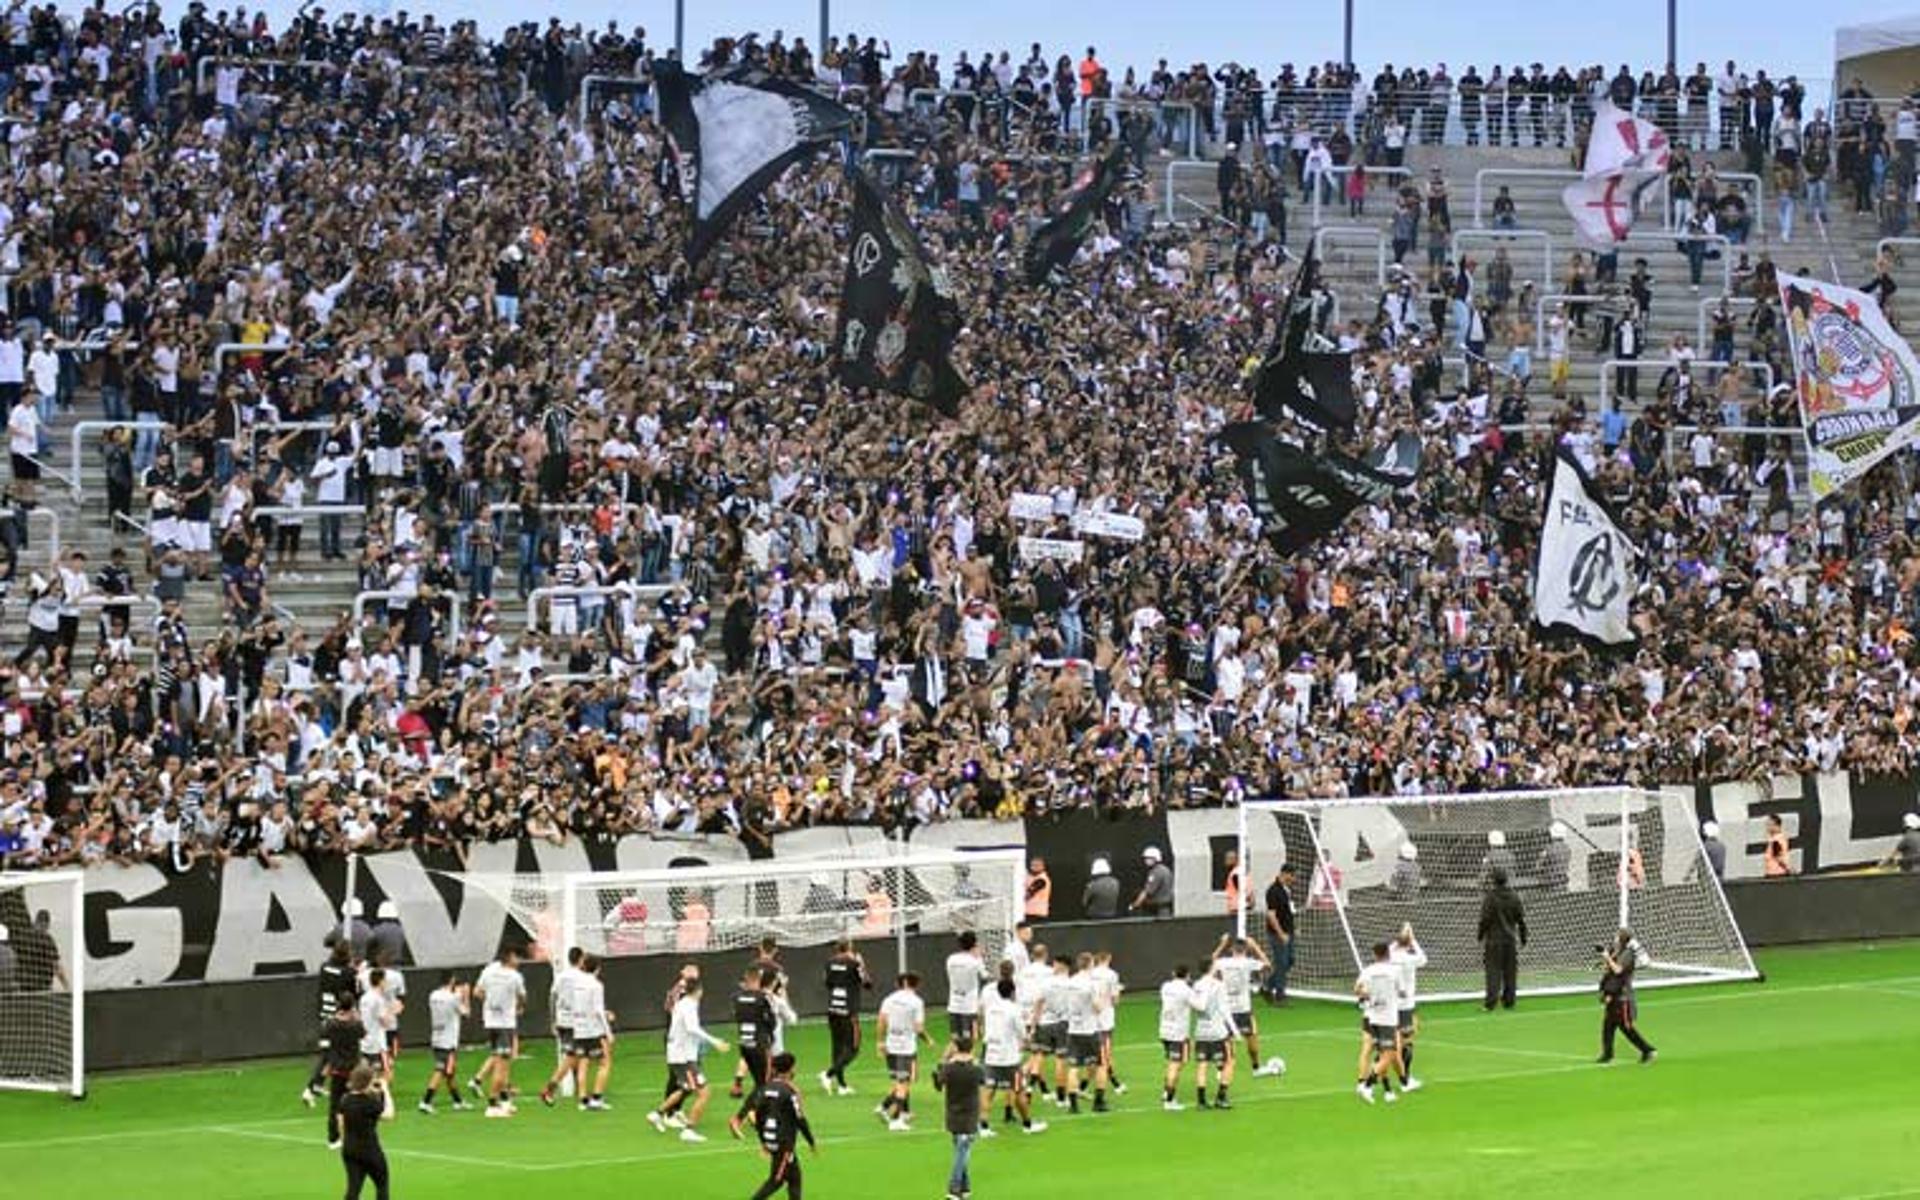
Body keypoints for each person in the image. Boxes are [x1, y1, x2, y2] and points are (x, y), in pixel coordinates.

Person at [650, 972, 730, 1142]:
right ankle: (689, 1130)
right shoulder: (689, 1006)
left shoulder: (682, 1003)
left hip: (678, 1054)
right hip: (684, 1057)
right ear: (699, 990)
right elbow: (692, 1028)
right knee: (704, 1093)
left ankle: (657, 1114)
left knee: (686, 1088)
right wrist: (714, 1041)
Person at [730, 1050, 818, 1200]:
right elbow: (800, 1119)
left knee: (795, 1177)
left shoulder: (766, 1088)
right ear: (791, 1069)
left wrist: (764, 1142)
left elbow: (757, 1117)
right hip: (783, 1142)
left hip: (770, 1138)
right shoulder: (790, 1091)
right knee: (776, 1180)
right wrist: (811, 1141)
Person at [980, 974, 1045, 1135]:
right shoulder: (1014, 1009)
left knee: (989, 1090)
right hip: (1009, 1058)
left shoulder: (991, 1008)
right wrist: (1028, 1039)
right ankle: (1028, 1125)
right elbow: (1022, 1033)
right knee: (1019, 1090)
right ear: (1012, 992)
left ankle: (983, 1126)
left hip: (991, 1054)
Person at [1212, 934, 1280, 1076]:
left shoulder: (1223, 962)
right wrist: (1255, 946)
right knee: (1251, 1036)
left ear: (1232, 949)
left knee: (1227, 1039)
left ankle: (1222, 1069)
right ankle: (1256, 1067)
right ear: (1246, 949)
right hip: (1243, 1008)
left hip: (1226, 1008)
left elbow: (1210, 961)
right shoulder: (1248, 962)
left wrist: (1222, 944)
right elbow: (1268, 966)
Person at [303, 940, 359, 1108]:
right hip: (338, 1015)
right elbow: (352, 993)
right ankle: (310, 1088)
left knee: (329, 1052)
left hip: (324, 1012)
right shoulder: (348, 973)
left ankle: (318, 1085)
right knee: (333, 1054)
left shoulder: (325, 967)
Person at [473, 946, 527, 1118]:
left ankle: (505, 1101)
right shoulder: (514, 976)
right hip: (505, 1023)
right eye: (516, 957)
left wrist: (490, 1004)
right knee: (502, 1066)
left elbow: (478, 992)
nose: (518, 960)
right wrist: (516, 1006)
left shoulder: (488, 970)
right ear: (510, 957)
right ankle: (492, 1105)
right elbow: (522, 996)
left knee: (502, 1061)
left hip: (490, 1022)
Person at [875, 972, 930, 1131]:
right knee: (904, 1084)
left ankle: (892, 1109)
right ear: (914, 985)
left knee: (898, 1082)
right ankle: (894, 1118)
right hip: (906, 1048)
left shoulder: (889, 999)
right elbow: (918, 1028)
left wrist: (880, 1042)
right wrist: (927, 1040)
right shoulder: (917, 1002)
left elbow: (881, 1021)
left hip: (891, 1045)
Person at [933, 1037, 987, 1200]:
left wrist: (942, 1063)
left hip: (953, 1112)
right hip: (970, 1113)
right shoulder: (976, 1069)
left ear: (956, 1048)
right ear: (971, 1049)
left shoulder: (949, 1069)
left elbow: (938, 1085)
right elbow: (983, 1082)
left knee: (960, 1148)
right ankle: (954, 1187)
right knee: (962, 1151)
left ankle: (965, 1186)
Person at [1354, 941, 1405, 1104]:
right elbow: (1402, 992)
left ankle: (1388, 1091)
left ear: (1375, 955)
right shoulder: (1395, 970)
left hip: (1372, 1018)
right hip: (1388, 1018)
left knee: (1382, 1054)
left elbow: (1357, 990)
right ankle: (1367, 1085)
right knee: (1389, 1055)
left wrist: (1370, 995)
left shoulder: (1368, 971)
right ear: (1388, 954)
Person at [1597, 928, 1658, 1064]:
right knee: (1608, 1026)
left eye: (1617, 936)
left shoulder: (1627, 954)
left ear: (1622, 939)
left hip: (1622, 996)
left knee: (1626, 1027)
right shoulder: (1616, 951)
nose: (1615, 938)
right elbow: (1610, 969)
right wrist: (1605, 958)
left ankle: (1648, 1050)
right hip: (1613, 994)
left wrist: (1607, 958)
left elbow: (1618, 970)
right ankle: (1607, 1054)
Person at [1062, 951, 1110, 1113]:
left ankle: (1073, 1105)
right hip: (1090, 1029)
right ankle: (1099, 1101)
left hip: (1073, 1029)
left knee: (1073, 1067)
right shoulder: (1091, 983)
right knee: (1101, 1065)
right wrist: (1103, 1001)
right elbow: (1097, 1007)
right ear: (1090, 964)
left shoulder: (1070, 982)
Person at [338, 1064, 395, 1200]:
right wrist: (386, 1090)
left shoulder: (345, 1100)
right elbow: (389, 1115)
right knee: (382, 1185)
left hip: (350, 1149)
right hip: (370, 1150)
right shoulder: (369, 1103)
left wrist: (345, 1141)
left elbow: (341, 1123)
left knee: (353, 1189)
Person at [1187, 957, 1237, 1109]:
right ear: (1211, 968)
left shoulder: (1196, 985)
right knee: (1230, 1061)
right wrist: (1235, 1030)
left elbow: (1195, 1006)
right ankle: (1221, 1098)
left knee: (1202, 1065)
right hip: (1217, 1032)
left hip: (1201, 1031)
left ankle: (1201, 1101)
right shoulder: (1219, 985)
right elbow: (1224, 1009)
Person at [821, 939, 869, 1095]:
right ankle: (828, 1074)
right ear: (850, 947)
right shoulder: (854, 963)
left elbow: (827, 983)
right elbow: (867, 983)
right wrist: (861, 964)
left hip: (833, 1009)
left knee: (837, 1048)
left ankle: (841, 1086)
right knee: (853, 1048)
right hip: (848, 1011)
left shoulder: (829, 962)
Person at [540, 946, 587, 1103]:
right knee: (573, 1057)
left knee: (575, 1056)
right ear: (580, 959)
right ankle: (550, 1089)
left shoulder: (561, 976)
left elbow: (552, 997)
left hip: (562, 1020)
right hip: (577, 1021)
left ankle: (580, 1092)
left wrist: (552, 1020)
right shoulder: (582, 977)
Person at [419, 972, 470, 1113]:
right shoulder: (453, 998)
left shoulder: (433, 995)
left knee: (450, 1072)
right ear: (452, 981)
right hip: (449, 1039)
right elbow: (466, 1012)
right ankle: (426, 1101)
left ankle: (457, 1101)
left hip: (437, 1035)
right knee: (441, 1070)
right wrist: (465, 996)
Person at [1476, 868, 1527, 1010]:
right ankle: (1509, 1001)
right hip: (1510, 939)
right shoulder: (1514, 896)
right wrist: (1523, 937)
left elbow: (1485, 919)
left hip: (1494, 940)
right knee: (1510, 971)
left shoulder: (1490, 898)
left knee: (1493, 971)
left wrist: (1480, 935)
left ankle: (1491, 1003)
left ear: (1493, 881)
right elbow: (1521, 920)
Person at [731, 966, 779, 1100]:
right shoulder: (764, 997)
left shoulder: (736, 997)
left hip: (744, 1043)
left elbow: (736, 1016)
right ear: (759, 979)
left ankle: (744, 1115)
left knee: (759, 1083)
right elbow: (772, 1021)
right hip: (760, 1043)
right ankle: (750, 1114)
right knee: (764, 1082)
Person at [1390, 923, 1428, 1091]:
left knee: (1390, 1042)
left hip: (1391, 1004)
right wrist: (1413, 938)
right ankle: (1405, 1080)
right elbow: (1423, 958)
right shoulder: (1410, 958)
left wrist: (1403, 936)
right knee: (1406, 1043)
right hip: (1405, 1005)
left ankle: (1371, 1077)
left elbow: (1394, 945)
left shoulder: (1391, 954)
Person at [1157, 962, 1195, 1110]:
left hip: (1164, 1029)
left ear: (1174, 973)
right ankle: (1169, 1100)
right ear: (1187, 976)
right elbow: (1200, 1006)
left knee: (1173, 1063)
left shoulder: (1166, 986)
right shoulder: (1186, 990)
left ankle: (1166, 1091)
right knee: (1176, 1064)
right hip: (1178, 1033)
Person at [945, 931, 988, 1045]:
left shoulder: (951, 959)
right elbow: (984, 975)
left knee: (955, 1038)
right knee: (969, 1037)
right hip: (969, 1005)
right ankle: (966, 1060)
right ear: (974, 944)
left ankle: (953, 1060)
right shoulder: (974, 961)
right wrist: (979, 957)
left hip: (954, 1003)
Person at [1262, 864, 1297, 1003]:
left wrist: (1294, 928)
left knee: (1290, 960)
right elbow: (1271, 915)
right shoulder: (1273, 891)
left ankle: (1268, 985)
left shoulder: (1287, 890)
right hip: (1277, 933)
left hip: (1289, 931)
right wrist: (1281, 933)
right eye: (1292, 875)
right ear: (1284, 874)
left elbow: (1289, 911)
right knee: (1281, 962)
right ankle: (1280, 994)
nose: (1294, 879)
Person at [1130, 845, 1174, 918]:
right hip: (1166, 909)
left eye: (1148, 858)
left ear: (1155, 858)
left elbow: (1147, 891)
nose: (1145, 861)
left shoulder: (1155, 872)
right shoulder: (1166, 870)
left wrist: (1135, 905)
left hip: (1157, 910)